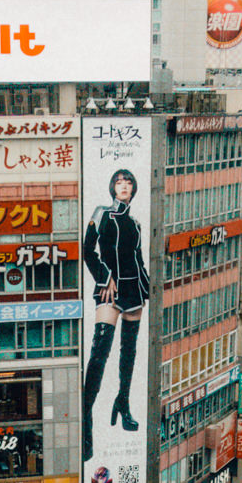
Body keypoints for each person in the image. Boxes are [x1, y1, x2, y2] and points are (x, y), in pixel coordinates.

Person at [81, 169, 150, 462]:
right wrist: (104, 277)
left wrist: (147, 286)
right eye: (119, 182)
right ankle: (85, 419)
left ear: (134, 188)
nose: (124, 186)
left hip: (135, 290)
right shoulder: (102, 213)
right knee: (99, 353)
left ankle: (122, 403)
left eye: (129, 182)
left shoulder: (135, 222)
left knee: (129, 353)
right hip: (110, 289)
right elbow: (87, 250)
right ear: (112, 187)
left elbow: (138, 256)